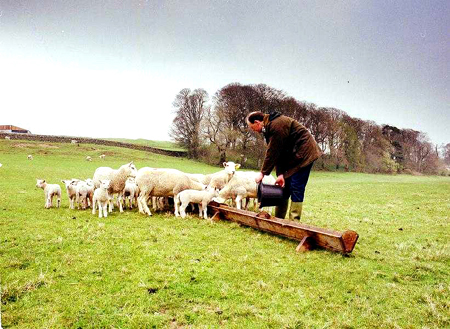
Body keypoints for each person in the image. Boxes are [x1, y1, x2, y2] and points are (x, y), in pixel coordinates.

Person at [246, 110, 322, 220]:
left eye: (253, 128)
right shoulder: (270, 127)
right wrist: (281, 174)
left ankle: (293, 222)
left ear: (257, 122)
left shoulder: (276, 126)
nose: (254, 131)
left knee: (296, 187)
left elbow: (272, 153)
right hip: (293, 155)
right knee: (284, 187)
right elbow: (278, 153)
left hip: (304, 154)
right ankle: (278, 219)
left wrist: (263, 173)